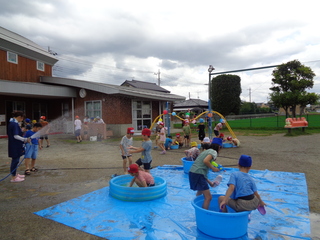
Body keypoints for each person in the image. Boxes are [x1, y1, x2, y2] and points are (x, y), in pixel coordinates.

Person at [189, 138, 223, 209]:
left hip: (193, 172)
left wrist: (210, 183)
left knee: (200, 192)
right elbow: (205, 161)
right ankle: (204, 213)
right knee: (208, 197)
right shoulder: (214, 152)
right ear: (219, 147)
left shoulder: (206, 151)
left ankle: (198, 208)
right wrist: (213, 168)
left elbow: (202, 171)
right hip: (198, 173)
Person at [8, 111, 30, 182]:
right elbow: (16, 136)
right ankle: (13, 177)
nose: (22, 120)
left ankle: (15, 174)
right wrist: (25, 139)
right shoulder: (14, 124)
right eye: (22, 118)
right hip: (15, 145)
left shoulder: (13, 123)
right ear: (20, 117)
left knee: (16, 160)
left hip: (16, 145)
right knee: (15, 160)